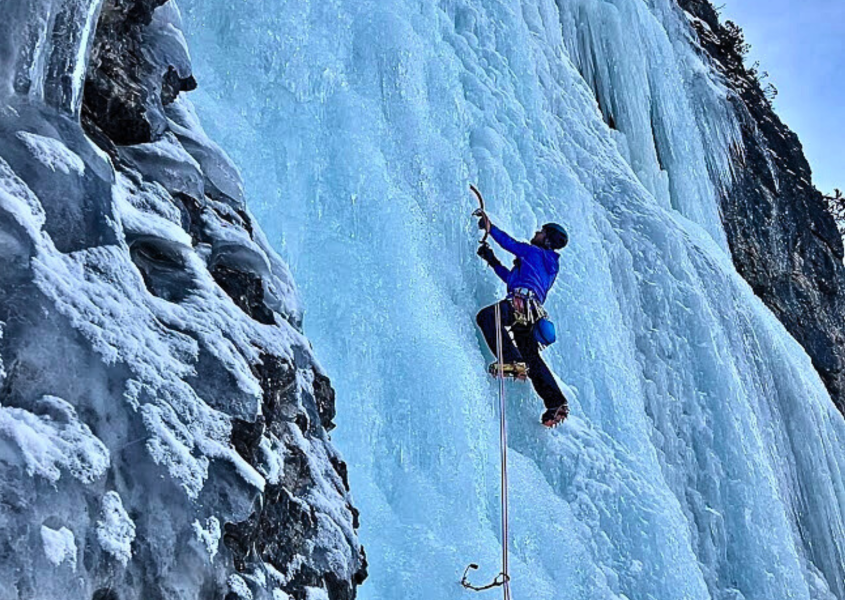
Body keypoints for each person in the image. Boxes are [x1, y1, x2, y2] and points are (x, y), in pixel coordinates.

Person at [475, 210, 570, 427]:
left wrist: (489, 227)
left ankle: (511, 359)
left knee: (488, 317)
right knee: (531, 356)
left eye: (540, 232)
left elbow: (510, 244)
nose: (536, 233)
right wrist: (492, 260)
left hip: (521, 304)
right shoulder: (547, 265)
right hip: (532, 312)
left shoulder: (534, 253)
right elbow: (511, 279)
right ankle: (555, 402)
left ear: (546, 239)